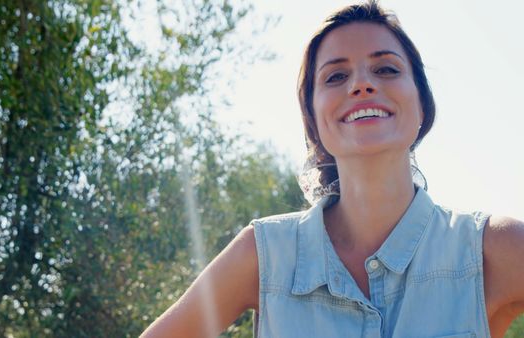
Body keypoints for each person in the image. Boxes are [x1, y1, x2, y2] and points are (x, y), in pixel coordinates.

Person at [141, 1, 524, 337]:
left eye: (387, 69)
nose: (361, 85)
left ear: (422, 105)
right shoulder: (263, 254)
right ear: (314, 120)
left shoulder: (492, 248)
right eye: (336, 76)